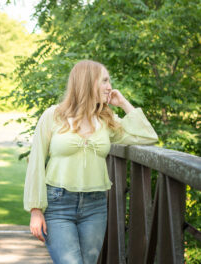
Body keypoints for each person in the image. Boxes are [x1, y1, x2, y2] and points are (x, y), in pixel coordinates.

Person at [23, 60, 158, 264]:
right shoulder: (54, 116)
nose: (110, 87)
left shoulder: (106, 120)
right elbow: (36, 163)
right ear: (87, 82)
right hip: (58, 204)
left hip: (95, 206)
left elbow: (148, 136)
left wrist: (123, 103)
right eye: (104, 80)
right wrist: (35, 210)